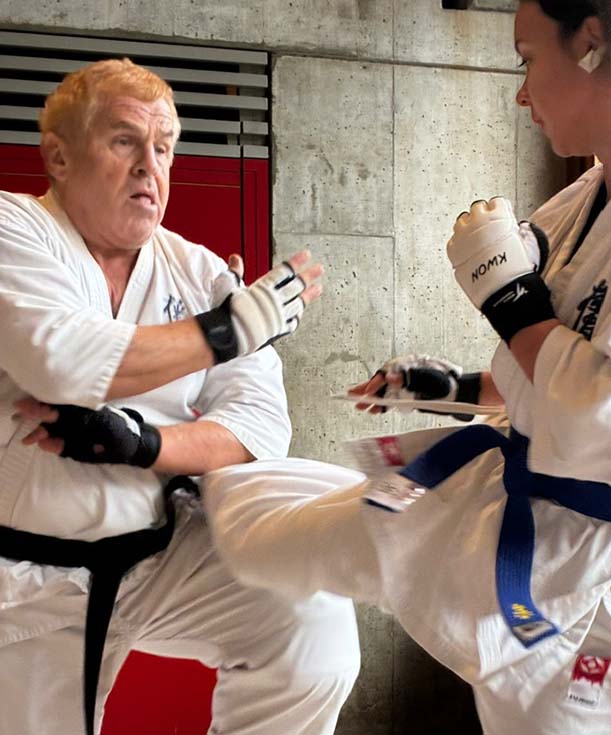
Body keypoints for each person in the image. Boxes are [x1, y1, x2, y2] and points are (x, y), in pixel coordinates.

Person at [34, 1, 611, 731]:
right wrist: (453, 387)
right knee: (265, 520)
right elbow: (560, 373)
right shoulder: (593, 195)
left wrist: (510, 301)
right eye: (124, 143)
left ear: (590, 44)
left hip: (609, 573)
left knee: (301, 564)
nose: (521, 92)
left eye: (525, 58)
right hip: (541, 527)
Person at [0, 58, 360, 735]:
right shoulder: (13, 228)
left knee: (309, 626)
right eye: (125, 141)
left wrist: (144, 444)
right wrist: (227, 331)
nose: (150, 166)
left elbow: (259, 425)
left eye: (164, 147)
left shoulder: (196, 269)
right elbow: (59, 360)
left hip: (162, 557)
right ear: (59, 156)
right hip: (29, 576)